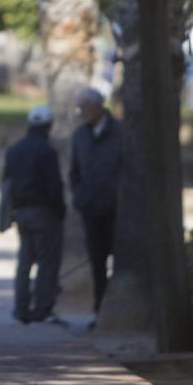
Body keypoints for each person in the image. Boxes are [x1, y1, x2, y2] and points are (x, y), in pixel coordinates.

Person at [0, 105, 67, 325]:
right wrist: (60, 210)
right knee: (47, 262)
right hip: (44, 212)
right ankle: (42, 309)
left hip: (22, 213)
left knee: (25, 261)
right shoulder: (47, 151)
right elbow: (54, 186)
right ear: (48, 126)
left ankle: (21, 308)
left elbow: (7, 184)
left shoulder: (14, 150)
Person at [69, 87, 122, 315]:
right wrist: (80, 197)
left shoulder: (120, 132)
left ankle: (118, 309)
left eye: (84, 107)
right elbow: (74, 172)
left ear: (98, 106)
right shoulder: (80, 135)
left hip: (117, 210)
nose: (80, 112)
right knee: (97, 261)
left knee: (120, 260)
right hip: (90, 209)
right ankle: (100, 309)